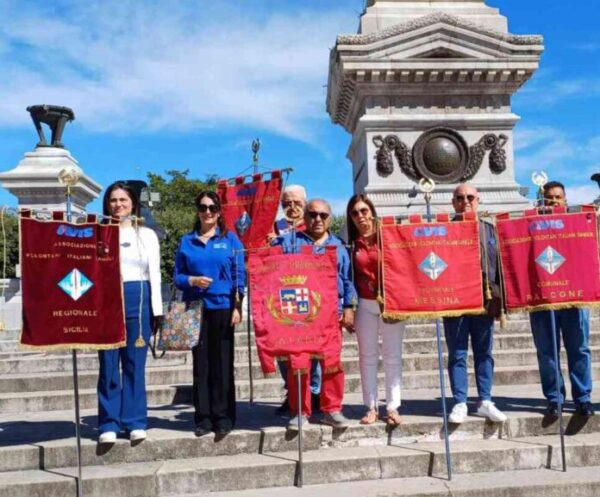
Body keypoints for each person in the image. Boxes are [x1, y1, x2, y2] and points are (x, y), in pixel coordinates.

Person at [273, 198, 357, 430]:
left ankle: (332, 409)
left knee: (331, 364)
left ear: (330, 218)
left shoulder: (339, 246)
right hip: (300, 314)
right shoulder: (289, 242)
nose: (317, 219)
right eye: (312, 214)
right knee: (299, 365)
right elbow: (270, 269)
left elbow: (348, 280)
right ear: (305, 217)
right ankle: (300, 411)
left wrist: (349, 308)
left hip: (331, 314)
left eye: (322, 215)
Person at [174, 191, 246, 436]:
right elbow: (177, 277)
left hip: (222, 307)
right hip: (195, 308)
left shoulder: (231, 240)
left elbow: (239, 276)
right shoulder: (187, 241)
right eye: (203, 207)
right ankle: (203, 417)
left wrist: (238, 307)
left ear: (219, 212)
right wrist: (192, 280)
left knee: (223, 364)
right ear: (197, 210)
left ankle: (224, 416)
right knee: (201, 365)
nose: (207, 212)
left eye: (212, 208)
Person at [97, 181, 163, 444]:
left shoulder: (146, 234)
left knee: (135, 363)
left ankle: (135, 420)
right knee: (109, 364)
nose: (118, 205)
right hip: (108, 300)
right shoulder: (98, 232)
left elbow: (154, 273)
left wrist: (157, 311)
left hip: (139, 298)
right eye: (113, 200)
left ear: (133, 203)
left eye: (123, 200)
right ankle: (108, 422)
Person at [443, 183, 507, 424]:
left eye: (470, 197)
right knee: (457, 354)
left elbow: (499, 265)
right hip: (455, 302)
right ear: (453, 202)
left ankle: (485, 400)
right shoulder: (444, 230)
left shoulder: (490, 231)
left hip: (484, 301)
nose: (465, 202)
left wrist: (499, 297)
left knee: (484, 353)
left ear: (478, 200)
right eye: (460, 198)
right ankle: (460, 401)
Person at [529, 181, 593, 417]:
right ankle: (554, 398)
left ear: (565, 200)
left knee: (579, 349)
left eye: (557, 197)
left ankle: (583, 398)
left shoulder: (578, 224)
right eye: (549, 198)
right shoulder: (530, 226)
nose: (553, 201)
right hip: (542, 298)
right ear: (542, 200)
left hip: (573, 297)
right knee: (547, 352)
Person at [347, 194, 405, 426]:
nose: (361, 216)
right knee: (367, 357)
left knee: (392, 357)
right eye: (355, 213)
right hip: (364, 305)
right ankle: (371, 407)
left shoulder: (389, 236)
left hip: (391, 304)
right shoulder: (351, 244)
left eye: (364, 210)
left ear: (372, 211)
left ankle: (392, 407)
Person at [269, 184, 322, 417]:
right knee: (283, 351)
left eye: (296, 203)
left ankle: (314, 393)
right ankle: (292, 393)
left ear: (305, 202)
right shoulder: (273, 229)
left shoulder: (314, 225)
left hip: (310, 296)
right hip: (281, 299)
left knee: (311, 351)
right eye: (286, 203)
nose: (292, 207)